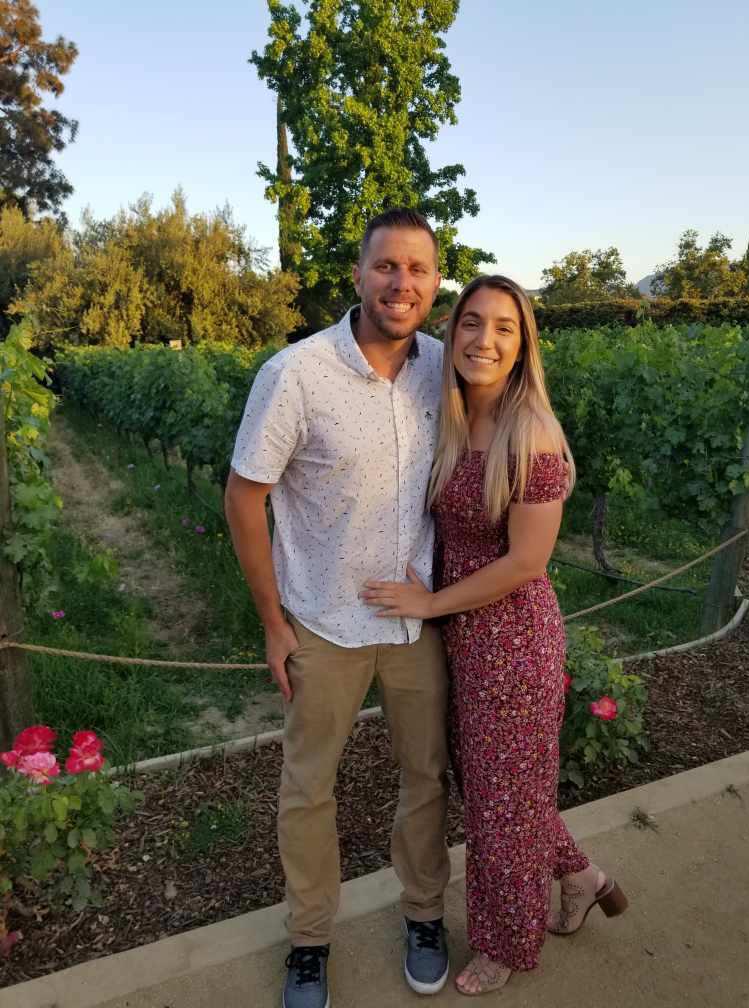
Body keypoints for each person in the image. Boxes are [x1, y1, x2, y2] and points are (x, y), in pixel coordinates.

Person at [361, 275, 628, 996]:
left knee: (499, 807)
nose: (484, 339)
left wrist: (431, 601)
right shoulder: (453, 417)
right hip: (461, 640)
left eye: (504, 327)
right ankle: (581, 877)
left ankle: (505, 943)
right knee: (499, 791)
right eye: (472, 322)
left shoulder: (530, 432)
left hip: (511, 644)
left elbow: (525, 562)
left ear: (523, 345)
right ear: (452, 335)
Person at [225, 209, 453, 1008]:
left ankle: (424, 913)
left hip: (416, 623)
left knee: (426, 776)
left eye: (417, 268)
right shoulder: (296, 373)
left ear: (436, 281)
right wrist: (273, 624)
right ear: (357, 275)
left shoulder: (445, 368)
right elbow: (243, 498)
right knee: (308, 787)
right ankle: (310, 939)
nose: (401, 283)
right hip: (323, 622)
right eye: (386, 265)